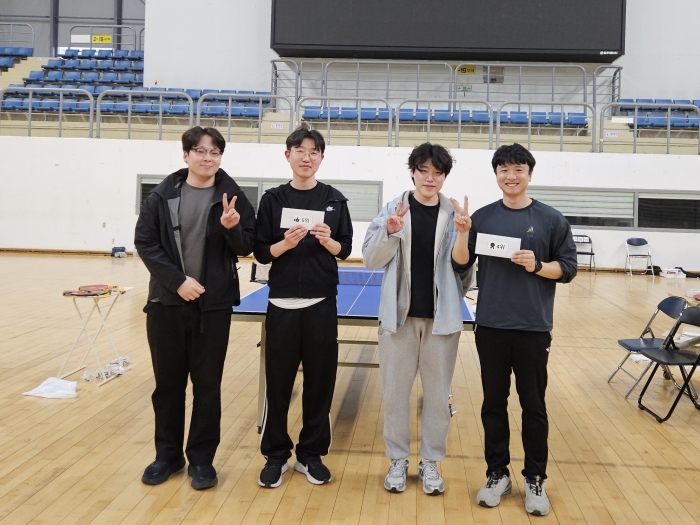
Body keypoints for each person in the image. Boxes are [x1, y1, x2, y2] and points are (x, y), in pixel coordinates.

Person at [135, 126, 256, 490]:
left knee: (207, 387)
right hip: (166, 304)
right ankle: (167, 456)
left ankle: (202, 461)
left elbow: (246, 246)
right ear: (185, 155)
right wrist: (177, 282)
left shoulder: (233, 197)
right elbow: (145, 243)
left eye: (215, 152)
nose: (208, 158)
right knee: (167, 386)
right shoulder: (161, 196)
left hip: (213, 307)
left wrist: (232, 228)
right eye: (200, 151)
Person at [465, 143, 577, 516]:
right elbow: (461, 262)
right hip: (490, 326)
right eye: (504, 170)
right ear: (496, 174)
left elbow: (568, 269)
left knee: (533, 405)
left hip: (533, 328)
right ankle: (497, 474)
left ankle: (535, 478)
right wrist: (462, 232)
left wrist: (537, 265)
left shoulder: (551, 219)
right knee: (493, 404)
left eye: (518, 170)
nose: (511, 176)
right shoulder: (482, 218)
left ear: (529, 174)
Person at [362, 143, 474, 496]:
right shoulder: (393, 209)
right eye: (423, 171)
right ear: (412, 172)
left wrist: (464, 234)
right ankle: (398, 459)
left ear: (444, 176)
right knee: (395, 396)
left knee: (438, 397)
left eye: (437, 173)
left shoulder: (453, 214)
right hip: (398, 319)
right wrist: (390, 231)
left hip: (442, 321)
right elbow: (370, 259)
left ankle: (430, 461)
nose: (430, 178)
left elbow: (463, 272)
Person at [254, 127, 353, 488]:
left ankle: (310, 455)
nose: (306, 157)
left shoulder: (335, 200)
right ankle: (275, 455)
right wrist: (284, 244)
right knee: (278, 383)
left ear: (321, 158)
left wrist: (328, 242)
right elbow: (261, 252)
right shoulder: (272, 199)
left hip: (321, 302)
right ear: (288, 155)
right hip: (281, 302)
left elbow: (345, 249)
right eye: (300, 150)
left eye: (313, 152)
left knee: (319, 383)